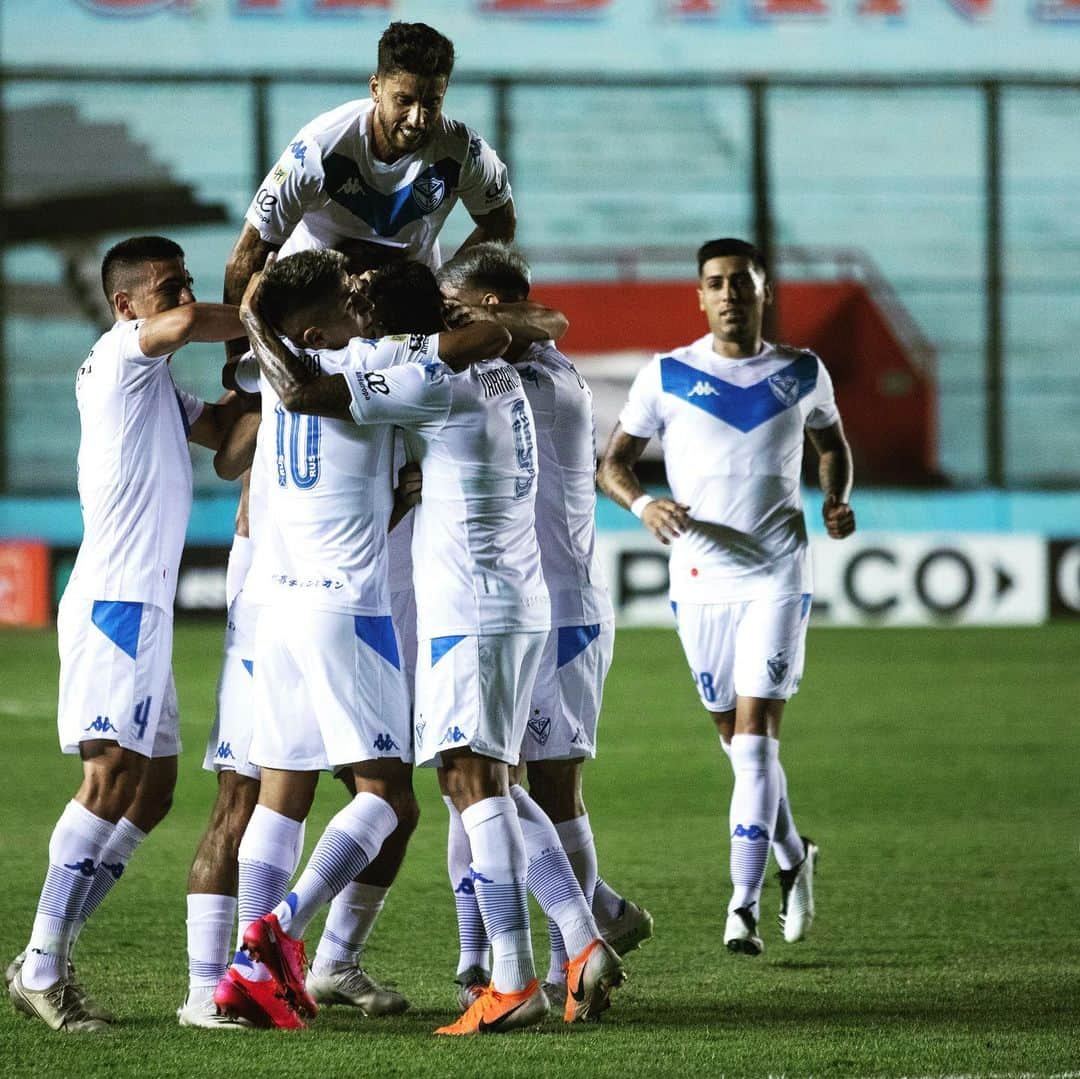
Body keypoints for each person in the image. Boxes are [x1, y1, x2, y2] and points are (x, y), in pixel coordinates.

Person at [242, 255, 625, 1034]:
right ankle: (583, 941)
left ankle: (512, 980)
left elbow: (309, 391)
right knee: (499, 784)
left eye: (363, 309)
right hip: (516, 601)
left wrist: (256, 315)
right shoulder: (499, 375)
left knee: (467, 785)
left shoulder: (427, 378)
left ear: (387, 323)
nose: (358, 319)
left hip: (470, 610)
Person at [8, 236, 251, 1032]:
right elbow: (182, 330)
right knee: (110, 778)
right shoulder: (119, 355)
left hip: (140, 609)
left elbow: (223, 440)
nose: (182, 298)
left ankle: (50, 954)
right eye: (169, 287)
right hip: (114, 602)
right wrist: (264, 315)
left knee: (153, 788)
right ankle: (42, 962)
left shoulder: (151, 383)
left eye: (185, 283)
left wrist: (278, 387)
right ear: (127, 307)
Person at [597, 237, 856, 956]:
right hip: (700, 580)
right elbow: (612, 463)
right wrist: (643, 506)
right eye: (716, 283)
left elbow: (831, 444)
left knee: (754, 745)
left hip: (777, 573)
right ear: (699, 296)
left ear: (763, 290)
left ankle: (740, 906)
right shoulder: (668, 374)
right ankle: (793, 856)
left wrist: (835, 497)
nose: (730, 293)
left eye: (742, 282)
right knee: (734, 742)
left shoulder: (801, 370)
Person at [436, 242, 653, 1009]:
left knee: (542, 789)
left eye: (453, 302)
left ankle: (570, 957)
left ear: (491, 310)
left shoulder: (533, 379)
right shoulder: (538, 364)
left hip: (558, 611)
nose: (443, 315)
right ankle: (545, 939)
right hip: (530, 604)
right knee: (480, 783)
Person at [224, 19, 514, 303]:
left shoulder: (464, 151)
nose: (417, 119)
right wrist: (240, 352)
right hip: (316, 303)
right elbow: (247, 256)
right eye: (404, 101)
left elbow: (500, 225)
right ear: (376, 89)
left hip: (405, 306)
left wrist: (447, 292)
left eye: (431, 103)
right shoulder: (317, 148)